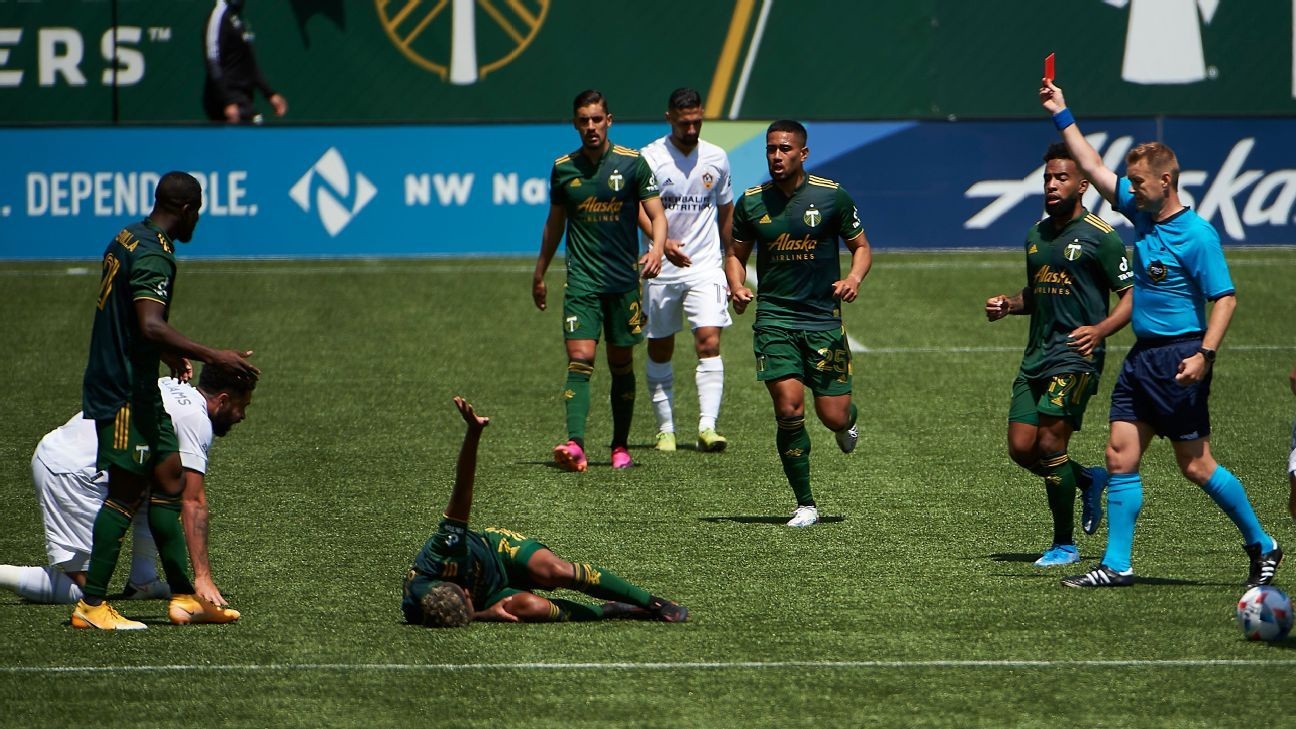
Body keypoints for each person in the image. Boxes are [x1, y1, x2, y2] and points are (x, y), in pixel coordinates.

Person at [1039, 79, 1283, 588]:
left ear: (1165, 181)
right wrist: (1062, 111)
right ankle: (1117, 564)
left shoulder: (1197, 235)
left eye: (1138, 182)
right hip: (1142, 358)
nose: (1129, 190)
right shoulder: (1141, 211)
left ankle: (1263, 544)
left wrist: (1205, 355)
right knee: (1119, 455)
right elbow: (1092, 167)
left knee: (1195, 466)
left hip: (1181, 358)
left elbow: (1225, 298)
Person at [74, 171, 259, 630]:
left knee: (170, 477)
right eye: (198, 212)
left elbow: (129, 319)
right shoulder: (155, 254)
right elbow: (149, 324)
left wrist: (166, 354)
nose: (199, 220)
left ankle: (185, 597)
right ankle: (91, 606)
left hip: (142, 383)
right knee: (125, 492)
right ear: (187, 209)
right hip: (122, 388)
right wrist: (213, 354)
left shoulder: (129, 236)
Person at [402, 397, 689, 626]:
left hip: (495, 551)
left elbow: (462, 488)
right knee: (534, 607)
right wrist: (481, 613)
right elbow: (462, 615)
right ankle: (611, 609)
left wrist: (473, 433)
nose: (468, 592)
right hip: (493, 595)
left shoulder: (442, 552)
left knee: (555, 571)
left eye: (466, 595)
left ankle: (654, 602)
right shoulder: (420, 612)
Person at [984, 143, 1134, 568]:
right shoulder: (1036, 236)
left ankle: (1064, 545)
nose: (1052, 185)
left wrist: (1100, 330)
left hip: (1077, 356)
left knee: (1051, 442)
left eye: (1061, 177)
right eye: (1048, 177)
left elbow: (1131, 296)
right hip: (1036, 355)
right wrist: (1010, 304)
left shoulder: (1102, 237)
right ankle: (1087, 478)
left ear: (1083, 185)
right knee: (1021, 448)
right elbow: (1038, 293)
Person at [1, 369, 254, 606]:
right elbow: (193, 502)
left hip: (65, 453)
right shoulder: (196, 420)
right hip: (72, 472)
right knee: (84, 590)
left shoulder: (170, 384)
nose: (242, 416)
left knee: (162, 480)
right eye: (242, 406)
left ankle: (143, 581)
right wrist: (203, 577)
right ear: (223, 400)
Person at [725, 120, 872, 527]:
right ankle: (805, 504)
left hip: (823, 320)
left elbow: (861, 247)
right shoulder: (752, 202)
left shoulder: (831, 196)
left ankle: (848, 422)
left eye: (785, 149)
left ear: (803, 154)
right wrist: (736, 286)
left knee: (833, 416)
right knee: (789, 409)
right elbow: (735, 254)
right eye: (771, 149)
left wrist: (854, 278)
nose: (776, 156)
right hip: (774, 319)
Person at [532, 89, 679, 472]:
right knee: (580, 359)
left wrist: (657, 250)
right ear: (575, 123)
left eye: (597, 119)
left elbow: (657, 216)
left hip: (623, 284)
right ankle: (576, 444)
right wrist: (540, 272)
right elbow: (554, 225)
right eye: (584, 120)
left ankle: (619, 446)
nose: (591, 126)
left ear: (609, 121)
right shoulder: (564, 169)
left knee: (620, 364)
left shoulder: (632, 163)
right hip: (582, 284)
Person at [636, 87, 735, 454]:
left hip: (705, 266)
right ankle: (666, 430)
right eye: (684, 124)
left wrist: (732, 260)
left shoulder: (717, 157)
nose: (691, 130)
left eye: (696, 122)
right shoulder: (650, 157)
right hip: (661, 267)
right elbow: (637, 208)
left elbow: (726, 210)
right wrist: (661, 244)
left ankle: (708, 427)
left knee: (709, 340)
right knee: (660, 347)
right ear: (669, 119)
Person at [203, 0, 288, 124]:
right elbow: (212, 61)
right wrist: (228, 101)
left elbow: (249, 63)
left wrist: (269, 94)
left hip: (245, 97)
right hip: (229, 100)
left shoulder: (236, 16)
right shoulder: (218, 15)